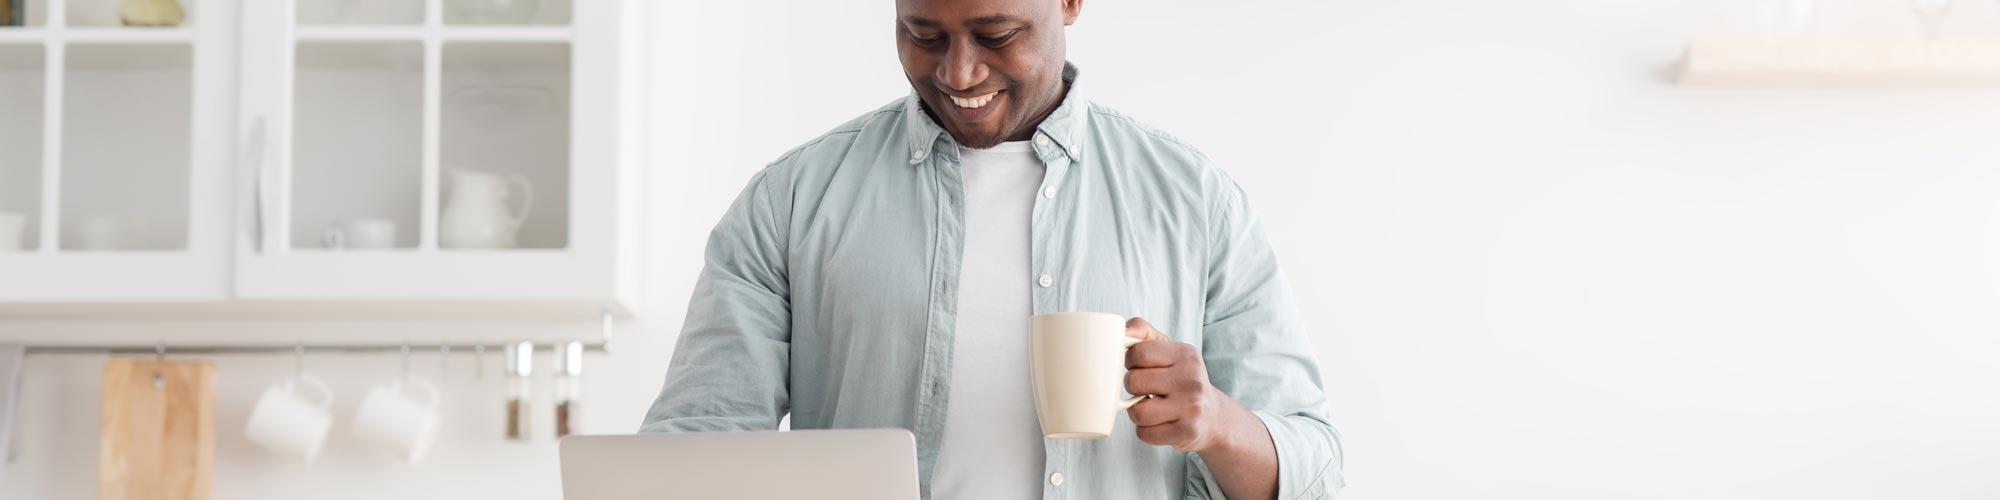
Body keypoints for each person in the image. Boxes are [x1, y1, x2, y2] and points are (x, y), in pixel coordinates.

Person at [640, 0, 1342, 497]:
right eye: (923, 34)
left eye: (996, 34)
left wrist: (1220, 424)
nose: (959, 73)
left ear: (1070, 3)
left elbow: (1313, 470)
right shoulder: (789, 202)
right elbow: (694, 452)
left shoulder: (1195, 200)